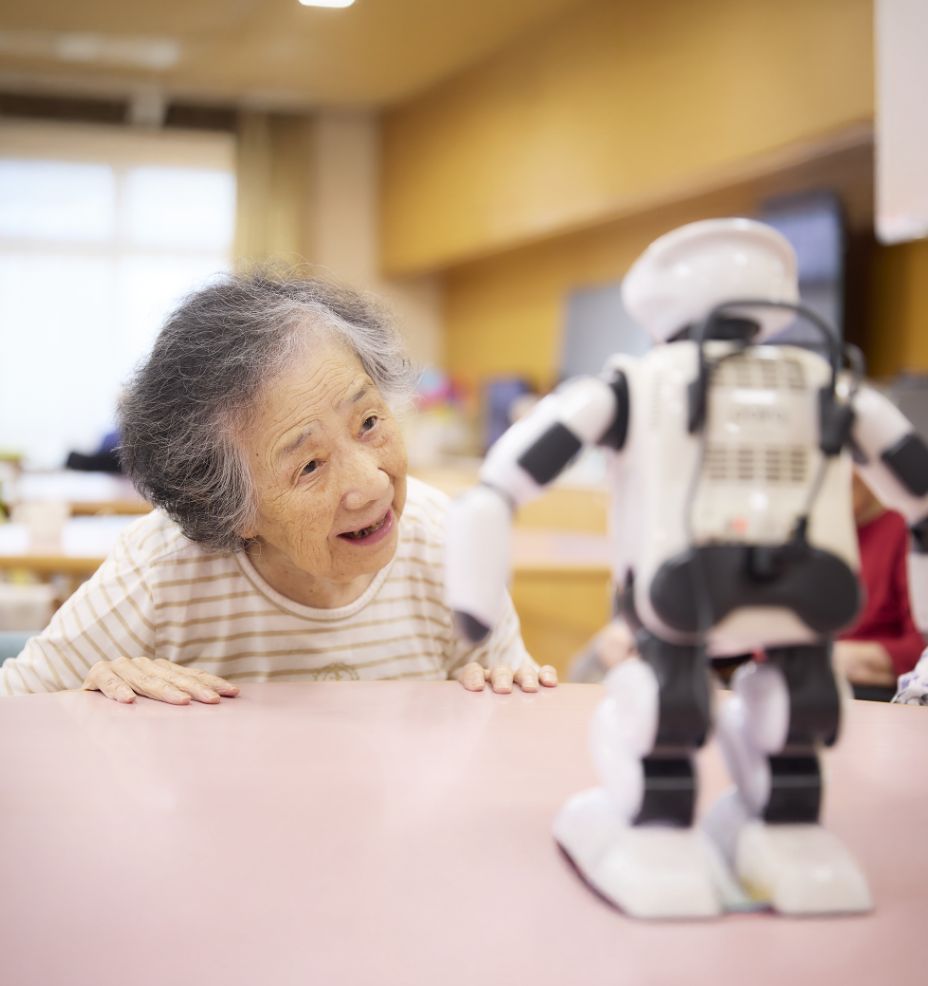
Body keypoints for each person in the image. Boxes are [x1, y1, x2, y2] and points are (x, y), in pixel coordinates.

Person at [0, 272, 557, 702]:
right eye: (309, 466)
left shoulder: (444, 543)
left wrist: (503, 694)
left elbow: (509, 695)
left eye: (368, 423)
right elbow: (17, 715)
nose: (370, 484)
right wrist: (89, 698)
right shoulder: (160, 575)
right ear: (230, 509)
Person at [832, 472, 925, 697]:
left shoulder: (908, 532)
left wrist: (832, 658)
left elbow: (921, 649)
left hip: (876, 695)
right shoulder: (819, 535)